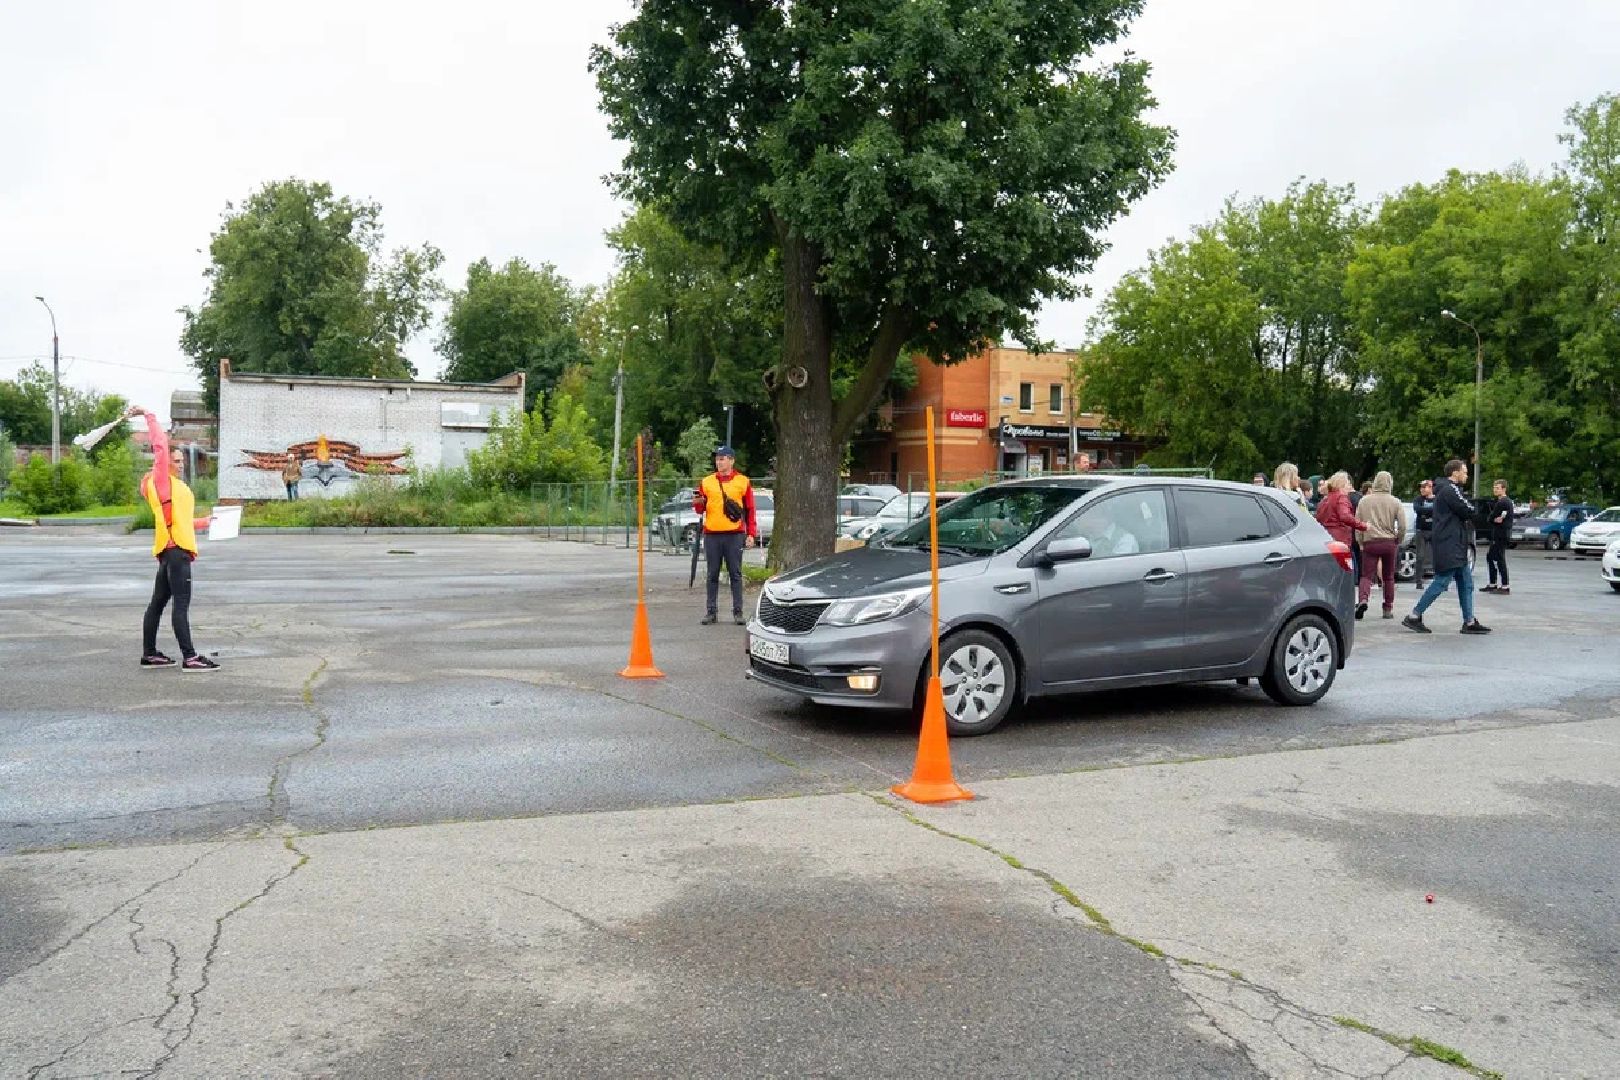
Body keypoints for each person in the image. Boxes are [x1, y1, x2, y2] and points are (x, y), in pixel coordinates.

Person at [130, 407, 219, 670]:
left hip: (169, 552)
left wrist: (206, 522)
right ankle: (190, 657)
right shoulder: (162, 482)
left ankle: (150, 654)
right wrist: (149, 416)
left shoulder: (173, 488)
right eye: (176, 461)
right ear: (165, 462)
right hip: (176, 552)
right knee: (181, 605)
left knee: (157, 603)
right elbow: (159, 445)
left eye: (181, 461)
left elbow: (180, 521)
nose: (181, 465)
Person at [1404, 459, 1491, 635]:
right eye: (1465, 472)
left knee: (1466, 582)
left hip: (1455, 543)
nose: (1466, 475)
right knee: (1442, 581)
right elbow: (1468, 510)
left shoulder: (1447, 490)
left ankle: (1469, 621)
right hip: (1449, 543)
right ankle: (1414, 615)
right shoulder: (1450, 489)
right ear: (1455, 472)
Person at [694, 445, 757, 625]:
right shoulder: (707, 482)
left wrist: (750, 533)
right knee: (712, 574)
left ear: (731, 460)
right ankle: (711, 612)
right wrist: (698, 502)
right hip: (712, 534)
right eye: (717, 459)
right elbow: (700, 509)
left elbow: (750, 510)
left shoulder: (743, 482)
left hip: (734, 534)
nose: (718, 462)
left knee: (735, 574)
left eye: (722, 458)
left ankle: (738, 612)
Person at [1355, 472, 1405, 620]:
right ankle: (1387, 608)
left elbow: (1358, 524)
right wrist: (1398, 539)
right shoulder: (1395, 502)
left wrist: (1360, 542)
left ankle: (1363, 599)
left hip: (1370, 542)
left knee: (1366, 575)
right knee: (1388, 577)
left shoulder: (1364, 501)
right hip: (1389, 542)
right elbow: (1402, 525)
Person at [1315, 471, 1367, 548]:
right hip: (1341, 540)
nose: (1349, 487)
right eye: (1348, 484)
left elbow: (1318, 519)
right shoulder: (1341, 497)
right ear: (1341, 485)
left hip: (1327, 539)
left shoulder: (1324, 500)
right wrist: (1363, 525)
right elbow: (1345, 516)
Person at [1483, 479, 1513, 595]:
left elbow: (1492, 518)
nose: (1495, 490)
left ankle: (1505, 586)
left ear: (1504, 489)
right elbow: (1494, 519)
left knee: (1499, 558)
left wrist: (1493, 519)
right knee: (1490, 557)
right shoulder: (1501, 502)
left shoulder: (1503, 502)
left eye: (1497, 488)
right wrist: (1494, 519)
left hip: (1501, 534)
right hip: (1499, 533)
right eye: (1494, 487)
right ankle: (1492, 583)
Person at [1412, 479, 1435, 589]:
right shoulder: (1418, 499)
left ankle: (1439, 581)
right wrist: (1430, 510)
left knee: (1437, 555)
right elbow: (1417, 509)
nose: (1422, 489)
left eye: (1424, 487)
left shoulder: (1437, 499)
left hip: (1434, 530)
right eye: (1421, 487)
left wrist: (1426, 510)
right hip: (1421, 530)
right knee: (1420, 556)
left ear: (1430, 488)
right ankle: (1418, 581)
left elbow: (1438, 511)